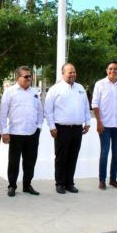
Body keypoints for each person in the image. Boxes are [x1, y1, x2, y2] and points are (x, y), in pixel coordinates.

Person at [44, 63, 91, 194]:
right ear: (63, 73)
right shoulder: (55, 89)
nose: (72, 74)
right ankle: (59, 183)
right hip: (61, 129)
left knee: (73, 156)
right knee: (61, 157)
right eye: (70, 72)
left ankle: (69, 183)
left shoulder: (80, 88)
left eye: (74, 72)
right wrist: (52, 127)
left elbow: (86, 107)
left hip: (77, 129)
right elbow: (48, 111)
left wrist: (87, 122)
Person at [0, 66, 43, 197]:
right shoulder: (10, 92)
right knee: (14, 162)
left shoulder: (34, 92)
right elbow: (3, 113)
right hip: (15, 133)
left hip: (32, 133)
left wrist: (38, 127)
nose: (29, 78)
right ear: (17, 78)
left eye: (30, 76)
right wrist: (4, 132)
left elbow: (40, 112)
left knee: (30, 161)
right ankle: (12, 186)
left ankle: (27, 185)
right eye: (26, 76)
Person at [91, 61, 117, 190]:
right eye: (111, 69)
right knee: (104, 152)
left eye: (116, 69)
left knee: (116, 153)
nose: (113, 71)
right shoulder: (100, 84)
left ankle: (113, 179)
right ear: (107, 70)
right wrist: (99, 122)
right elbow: (95, 104)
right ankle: (102, 180)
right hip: (104, 125)